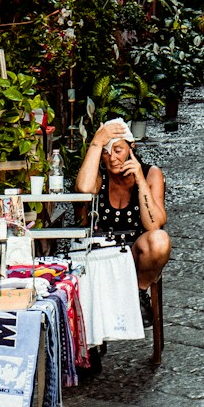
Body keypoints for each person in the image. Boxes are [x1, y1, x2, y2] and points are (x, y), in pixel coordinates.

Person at [76, 120, 170, 287]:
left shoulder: (150, 174)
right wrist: (96, 142)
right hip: (101, 255)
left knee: (160, 240)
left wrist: (140, 181)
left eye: (118, 150)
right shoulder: (98, 176)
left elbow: (154, 225)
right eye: (105, 152)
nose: (112, 158)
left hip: (136, 253)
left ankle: (139, 292)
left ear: (131, 147)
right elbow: (84, 189)